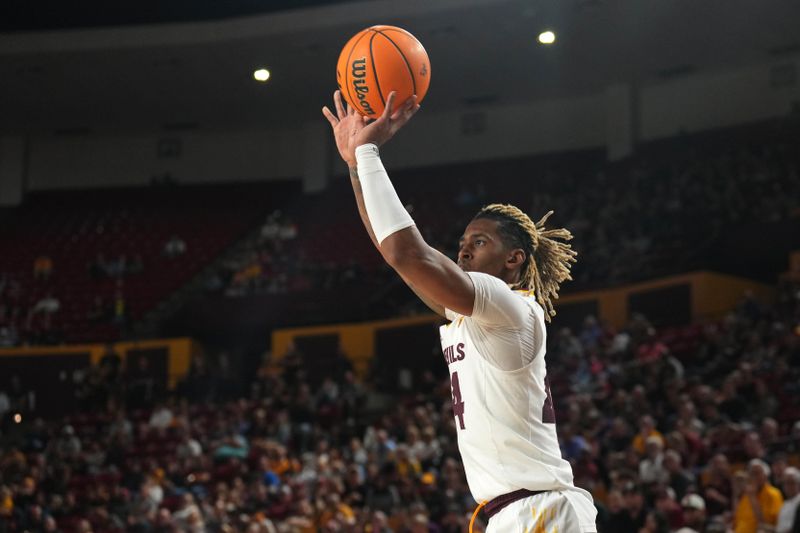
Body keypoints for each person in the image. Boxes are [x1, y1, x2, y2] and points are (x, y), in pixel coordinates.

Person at [323, 90, 596, 532]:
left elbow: (409, 255)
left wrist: (369, 152)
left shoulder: (510, 308)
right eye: (463, 243)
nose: (464, 251)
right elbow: (396, 255)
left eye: (480, 242)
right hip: (513, 513)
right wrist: (356, 167)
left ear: (514, 260)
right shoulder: (472, 316)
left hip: (539, 510)